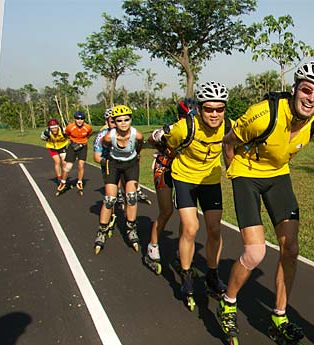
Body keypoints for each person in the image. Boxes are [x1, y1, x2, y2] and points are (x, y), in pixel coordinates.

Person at [220, 62, 314, 345]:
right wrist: (233, 172)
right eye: (306, 90)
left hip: (278, 177)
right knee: (255, 252)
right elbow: (228, 141)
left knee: (290, 249)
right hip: (246, 175)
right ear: (294, 89)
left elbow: (287, 150)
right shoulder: (262, 115)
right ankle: (228, 303)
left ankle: (280, 315)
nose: (311, 98)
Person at [159, 83, 231, 306]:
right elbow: (169, 146)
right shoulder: (184, 127)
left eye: (219, 109)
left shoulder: (229, 126)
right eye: (209, 109)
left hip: (210, 180)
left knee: (215, 228)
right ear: (199, 109)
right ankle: (187, 273)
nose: (214, 114)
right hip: (185, 178)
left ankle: (212, 273)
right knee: (190, 227)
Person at [144, 97, 199, 275]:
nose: (189, 120)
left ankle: (181, 251)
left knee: (187, 216)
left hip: (185, 172)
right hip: (165, 169)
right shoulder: (172, 129)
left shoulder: (198, 130)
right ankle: (152, 247)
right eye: (185, 116)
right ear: (179, 116)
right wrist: (160, 138)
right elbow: (151, 139)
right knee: (166, 211)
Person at [93, 105, 144, 254]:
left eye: (126, 120)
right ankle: (102, 230)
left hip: (131, 164)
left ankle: (131, 227)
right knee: (110, 199)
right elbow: (104, 148)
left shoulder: (137, 135)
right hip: (114, 164)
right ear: (114, 122)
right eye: (119, 120)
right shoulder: (108, 137)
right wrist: (107, 161)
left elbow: (139, 146)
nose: (123, 123)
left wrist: (136, 155)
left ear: (131, 120)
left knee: (131, 197)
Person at [58, 110, 93, 195]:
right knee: (68, 166)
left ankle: (79, 181)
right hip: (73, 146)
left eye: (81, 119)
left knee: (81, 164)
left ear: (84, 120)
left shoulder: (88, 127)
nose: (79, 121)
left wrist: (83, 141)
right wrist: (73, 141)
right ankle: (63, 182)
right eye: (77, 119)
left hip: (83, 146)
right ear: (75, 119)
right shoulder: (70, 127)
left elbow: (89, 134)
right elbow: (66, 134)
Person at [40, 118, 69, 183]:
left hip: (62, 147)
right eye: (52, 128)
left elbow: (70, 136)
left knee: (64, 162)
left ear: (58, 127)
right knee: (57, 161)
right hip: (52, 147)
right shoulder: (47, 132)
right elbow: (42, 137)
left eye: (55, 128)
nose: (54, 130)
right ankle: (59, 178)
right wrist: (45, 137)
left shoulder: (63, 130)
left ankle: (64, 178)